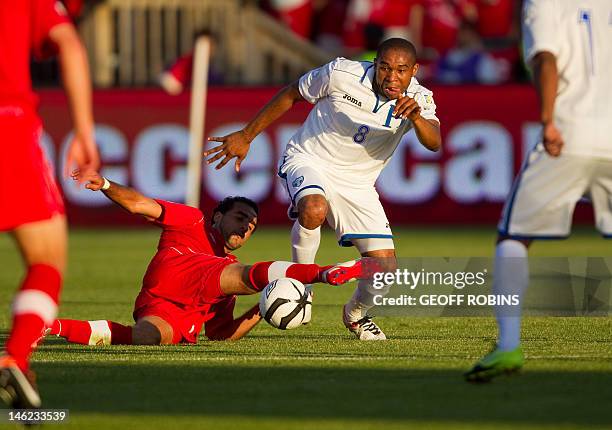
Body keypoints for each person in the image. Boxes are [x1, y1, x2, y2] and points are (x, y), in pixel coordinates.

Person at [204, 38, 441, 340]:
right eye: (384, 67)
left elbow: (434, 142)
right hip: (310, 158)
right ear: (375, 64)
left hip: (357, 183)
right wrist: (247, 135)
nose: (391, 77)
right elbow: (292, 93)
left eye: (401, 70)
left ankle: (356, 315)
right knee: (314, 209)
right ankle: (302, 287)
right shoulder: (341, 73)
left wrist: (417, 117)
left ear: (414, 71)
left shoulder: (420, 97)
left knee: (384, 268)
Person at [465, 0, 612, 382]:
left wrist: (547, 120)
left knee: (513, 237)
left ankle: (509, 346)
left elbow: (546, 59)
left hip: (570, 132)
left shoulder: (543, 3)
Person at [46, 169, 362, 346]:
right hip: (170, 280)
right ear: (217, 217)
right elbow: (139, 204)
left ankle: (52, 327)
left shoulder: (225, 279)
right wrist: (104, 183)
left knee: (145, 338)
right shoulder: (192, 220)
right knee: (241, 273)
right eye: (240, 217)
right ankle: (322, 273)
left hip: (175, 313)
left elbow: (220, 333)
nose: (245, 226)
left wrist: (266, 306)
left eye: (251, 225)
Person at [0, 0, 100, 409]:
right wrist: (84, 131)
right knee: (45, 260)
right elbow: (70, 45)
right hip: (7, 124)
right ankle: (16, 359)